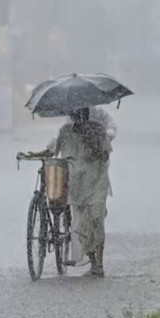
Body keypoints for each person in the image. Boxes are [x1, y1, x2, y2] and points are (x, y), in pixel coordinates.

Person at [28, 107, 113, 277]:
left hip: (96, 181)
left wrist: (94, 145)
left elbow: (105, 154)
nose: (79, 119)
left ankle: (100, 264)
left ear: (87, 114)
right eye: (76, 116)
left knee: (97, 219)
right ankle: (93, 261)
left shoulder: (98, 129)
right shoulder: (65, 131)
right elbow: (52, 150)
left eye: (82, 115)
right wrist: (32, 155)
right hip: (76, 184)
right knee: (81, 223)